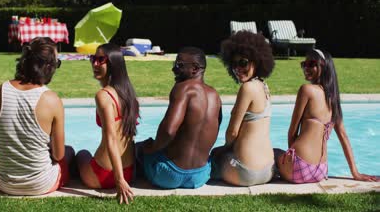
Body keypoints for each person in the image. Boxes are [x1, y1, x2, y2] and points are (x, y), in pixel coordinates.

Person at [276, 49, 378, 183]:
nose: (306, 68)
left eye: (311, 64)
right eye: (304, 64)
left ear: (324, 66)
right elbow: (343, 137)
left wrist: (291, 158)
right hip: (320, 170)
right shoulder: (333, 100)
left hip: (299, 167)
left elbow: (292, 132)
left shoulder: (307, 90)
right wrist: (355, 173)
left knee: (272, 154)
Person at [0, 37, 74, 195]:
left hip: (4, 183)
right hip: (40, 184)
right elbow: (58, 154)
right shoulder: (52, 100)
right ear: (49, 67)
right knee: (69, 152)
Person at [139, 47, 222, 189]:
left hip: (168, 174)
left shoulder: (183, 88)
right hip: (200, 176)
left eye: (179, 65)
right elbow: (216, 128)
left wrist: (152, 148)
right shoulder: (215, 95)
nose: (174, 69)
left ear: (195, 68)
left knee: (137, 148)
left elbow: (169, 131)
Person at [75, 43, 139, 204]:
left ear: (113, 63)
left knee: (81, 153)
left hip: (102, 175)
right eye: (93, 58)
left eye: (100, 59)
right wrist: (124, 177)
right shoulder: (129, 94)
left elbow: (111, 139)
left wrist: (119, 181)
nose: (95, 64)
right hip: (129, 172)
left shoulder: (103, 96)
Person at [210, 31, 275, 186]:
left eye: (243, 63)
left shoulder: (247, 88)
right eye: (234, 65)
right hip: (268, 170)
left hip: (246, 172)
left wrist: (224, 148)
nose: (238, 68)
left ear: (257, 61)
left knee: (210, 158)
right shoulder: (264, 86)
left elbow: (232, 132)